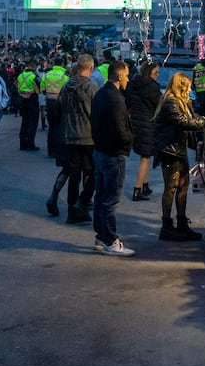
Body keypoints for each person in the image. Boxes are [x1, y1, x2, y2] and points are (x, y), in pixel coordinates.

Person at [152, 71, 205, 242]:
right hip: (169, 150)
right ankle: (166, 226)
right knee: (171, 187)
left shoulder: (183, 102)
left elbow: (191, 118)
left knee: (183, 185)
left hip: (179, 149)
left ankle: (182, 223)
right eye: (188, 87)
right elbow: (183, 122)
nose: (190, 90)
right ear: (181, 87)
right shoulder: (171, 102)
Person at [89, 60, 134, 257]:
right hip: (113, 154)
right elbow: (120, 130)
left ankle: (101, 235)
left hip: (100, 151)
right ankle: (110, 240)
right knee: (110, 199)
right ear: (118, 76)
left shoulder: (101, 94)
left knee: (100, 196)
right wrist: (129, 140)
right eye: (126, 75)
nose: (128, 79)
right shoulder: (115, 99)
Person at [49, 55, 97, 224]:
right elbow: (96, 113)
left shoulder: (66, 86)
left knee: (74, 174)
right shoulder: (91, 88)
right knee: (93, 173)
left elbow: (59, 107)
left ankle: (72, 210)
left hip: (70, 134)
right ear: (90, 68)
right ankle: (81, 203)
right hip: (88, 136)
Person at [123, 60, 161, 202]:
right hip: (148, 123)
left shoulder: (133, 84)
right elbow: (159, 104)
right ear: (148, 72)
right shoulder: (152, 87)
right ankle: (137, 190)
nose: (157, 75)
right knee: (145, 158)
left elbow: (128, 102)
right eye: (156, 73)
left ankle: (145, 185)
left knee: (145, 156)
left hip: (136, 122)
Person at [40, 58, 68, 157]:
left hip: (49, 102)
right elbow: (66, 92)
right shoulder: (65, 77)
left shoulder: (46, 75)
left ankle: (50, 149)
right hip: (59, 103)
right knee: (59, 127)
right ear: (62, 64)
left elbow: (42, 89)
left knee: (51, 126)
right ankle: (57, 150)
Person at [16, 58, 41, 151]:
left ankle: (22, 144)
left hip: (23, 99)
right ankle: (31, 143)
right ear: (33, 66)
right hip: (32, 100)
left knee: (24, 122)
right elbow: (38, 90)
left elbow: (18, 88)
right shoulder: (34, 76)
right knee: (33, 123)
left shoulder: (20, 76)